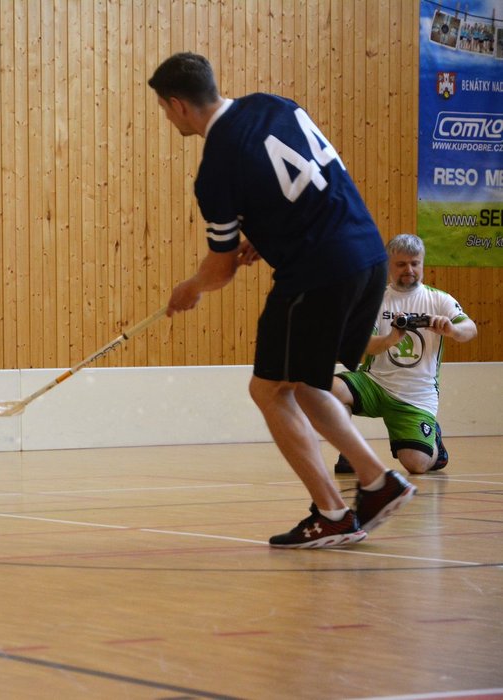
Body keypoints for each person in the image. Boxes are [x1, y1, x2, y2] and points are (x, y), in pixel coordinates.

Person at [148, 52, 416, 548]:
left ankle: (342, 506)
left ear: (179, 105)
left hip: (317, 273)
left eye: (164, 109)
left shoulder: (216, 167)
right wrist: (270, 232)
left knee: (269, 390)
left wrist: (190, 288)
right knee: (305, 383)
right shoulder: (275, 105)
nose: (167, 118)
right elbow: (311, 179)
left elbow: (220, 268)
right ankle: (374, 486)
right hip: (366, 258)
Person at [332, 233, 477, 475]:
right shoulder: (376, 299)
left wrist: (452, 329)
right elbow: (365, 345)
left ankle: (435, 447)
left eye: (414, 263)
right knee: (330, 389)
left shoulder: (439, 299)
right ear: (389, 265)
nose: (408, 269)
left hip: (416, 396)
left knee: (416, 465)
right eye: (401, 264)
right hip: (374, 383)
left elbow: (470, 329)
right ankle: (351, 453)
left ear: (422, 264)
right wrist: (390, 339)